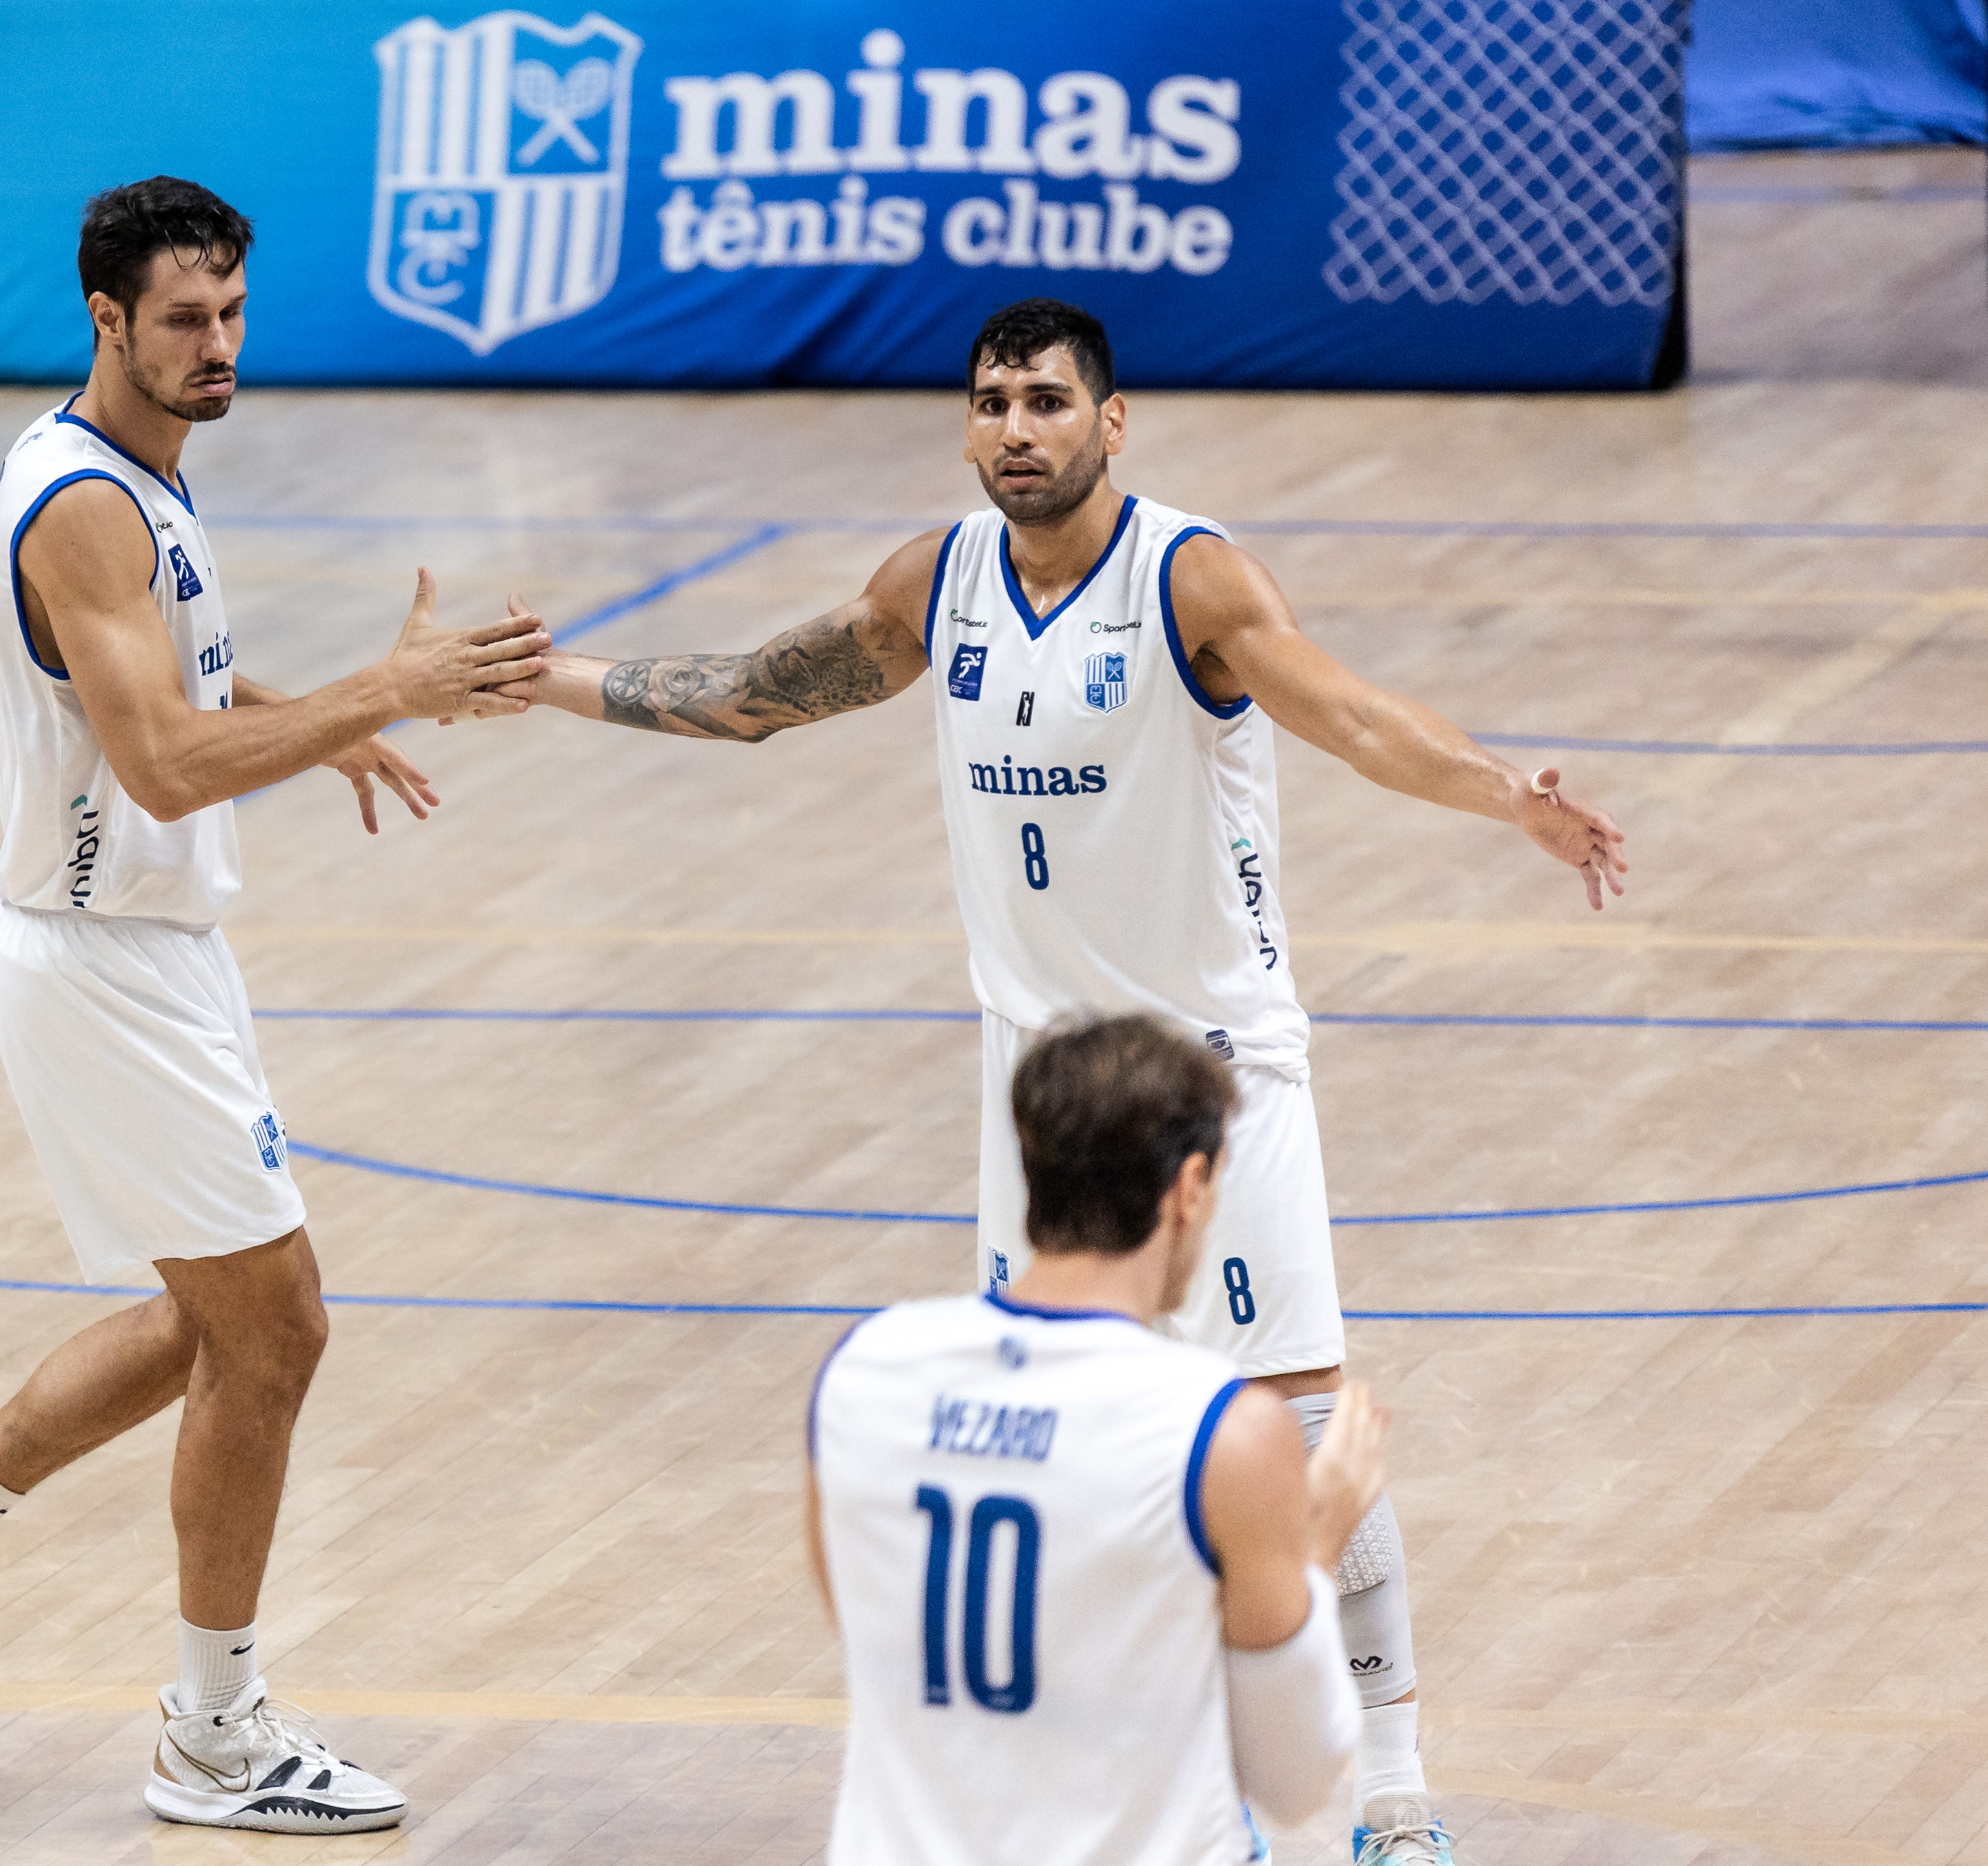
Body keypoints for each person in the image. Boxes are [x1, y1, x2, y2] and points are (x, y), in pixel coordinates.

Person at [503, 297, 1631, 1863]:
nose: (1011, 429)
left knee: (1296, 1428)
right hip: (1032, 1093)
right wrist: (545, 679)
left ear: (1113, 423)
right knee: (1062, 1429)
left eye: (1043, 401)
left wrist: (1505, 796)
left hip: (1214, 1080)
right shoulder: (936, 581)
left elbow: (1355, 717)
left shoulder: (1191, 579)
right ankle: (1103, 1756)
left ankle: (1390, 1786)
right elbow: (756, 691)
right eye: (987, 402)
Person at [0, 175, 546, 1834]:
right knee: (277, 1327)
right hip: (98, 960)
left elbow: (165, 679)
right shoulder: (85, 505)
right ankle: (211, 1729)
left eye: (232, 315)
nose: (217, 348)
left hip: (150, 956)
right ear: (104, 320)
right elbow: (152, 759)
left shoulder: (132, 483)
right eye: (184, 320)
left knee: (215, 1322)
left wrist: (318, 712)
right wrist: (385, 685)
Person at [813, 1015, 1384, 1865]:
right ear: (1188, 1187)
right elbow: (1292, 1775)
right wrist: (1317, 1540)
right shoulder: (1219, 1429)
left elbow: (868, 1622)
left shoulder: (863, 1373)